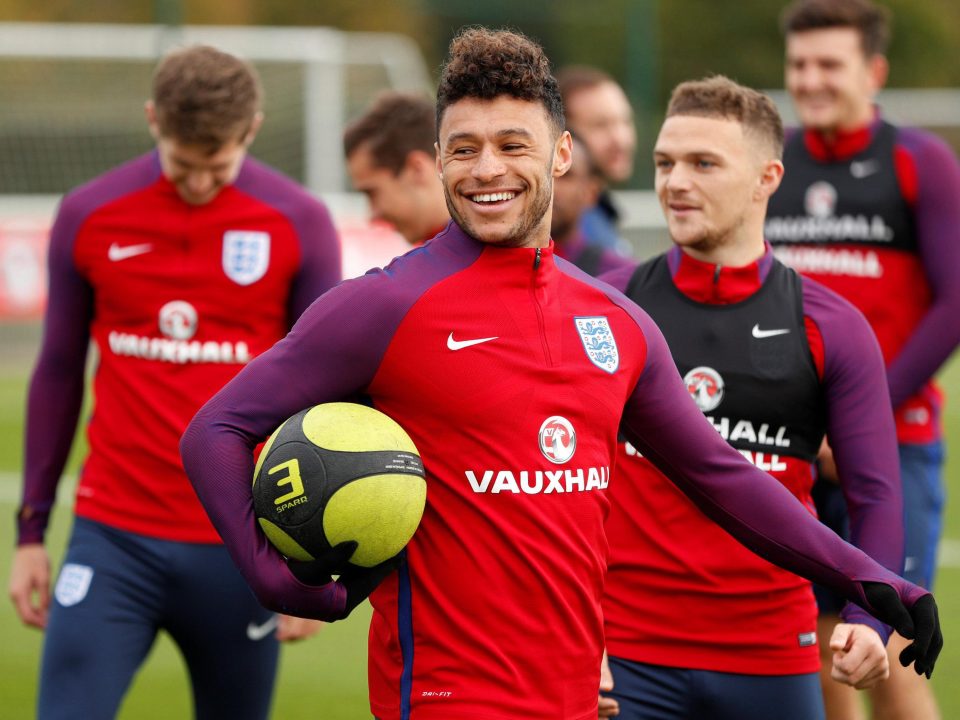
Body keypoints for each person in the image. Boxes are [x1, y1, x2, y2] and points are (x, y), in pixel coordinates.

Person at [180, 28, 940, 720]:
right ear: (439, 158)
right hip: (447, 695)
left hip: (578, 697)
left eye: (514, 144)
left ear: (562, 154)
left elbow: (722, 478)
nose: (488, 170)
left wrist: (874, 582)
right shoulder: (380, 307)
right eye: (464, 148)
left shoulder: (616, 322)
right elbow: (215, 429)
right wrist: (271, 574)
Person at [8, 45, 342, 719]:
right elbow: (57, 371)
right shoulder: (89, 214)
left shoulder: (300, 223)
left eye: (216, 167)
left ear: (252, 130)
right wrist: (31, 533)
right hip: (112, 538)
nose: (197, 184)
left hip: (239, 545)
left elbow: (325, 392)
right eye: (183, 165)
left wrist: (312, 557)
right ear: (153, 119)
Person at [597, 74, 905, 720]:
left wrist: (868, 618)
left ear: (768, 178)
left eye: (704, 163)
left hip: (773, 655)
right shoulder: (609, 309)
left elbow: (873, 492)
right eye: (665, 162)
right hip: (623, 655)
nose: (676, 181)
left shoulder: (832, 326)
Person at [766, 2, 960, 717]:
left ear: (872, 71)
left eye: (829, 64)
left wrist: (863, 420)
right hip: (793, 452)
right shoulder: (772, 165)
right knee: (822, 646)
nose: (810, 79)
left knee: (893, 649)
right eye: (799, 64)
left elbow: (954, 304)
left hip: (895, 445)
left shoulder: (920, 162)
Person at [344, 91, 450, 245]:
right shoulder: (434, 253)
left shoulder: (464, 258)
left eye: (372, 193)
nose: (372, 216)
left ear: (417, 169)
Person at [557, 65, 637, 254]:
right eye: (601, 125)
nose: (621, 139)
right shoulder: (566, 226)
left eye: (625, 122)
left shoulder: (599, 213)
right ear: (566, 137)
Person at [552, 133, 634, 276]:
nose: (551, 185)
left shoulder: (622, 279)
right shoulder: (502, 270)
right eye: (544, 172)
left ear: (591, 192)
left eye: (565, 175)